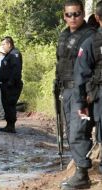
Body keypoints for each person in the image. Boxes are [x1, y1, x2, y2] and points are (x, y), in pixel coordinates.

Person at [55, 0, 96, 189]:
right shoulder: (64, 35)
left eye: (77, 14)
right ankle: (80, 171)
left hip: (81, 91)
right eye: (69, 15)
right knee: (70, 131)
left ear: (83, 14)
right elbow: (60, 63)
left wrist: (88, 93)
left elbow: (92, 68)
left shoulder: (90, 36)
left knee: (78, 132)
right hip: (66, 90)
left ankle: (82, 175)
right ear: (64, 16)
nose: (73, 18)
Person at [73, 1, 102, 189]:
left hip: (95, 99)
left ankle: (82, 174)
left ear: (97, 18)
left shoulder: (91, 42)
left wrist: (80, 102)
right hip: (95, 97)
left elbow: (80, 75)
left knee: (79, 130)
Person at [0, 36, 23, 133]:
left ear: (9, 44)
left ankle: (11, 126)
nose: (2, 46)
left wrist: (10, 82)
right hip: (6, 84)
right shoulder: (9, 55)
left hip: (12, 85)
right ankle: (9, 125)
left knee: (10, 105)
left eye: (3, 44)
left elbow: (16, 70)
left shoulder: (14, 54)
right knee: (6, 105)